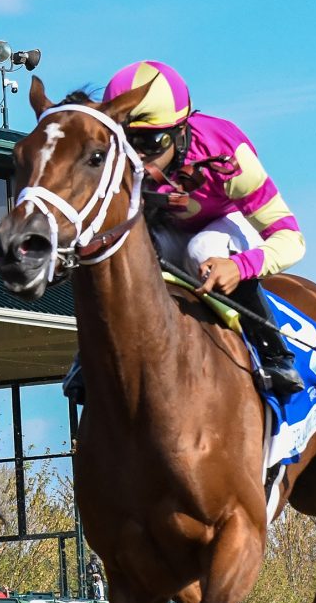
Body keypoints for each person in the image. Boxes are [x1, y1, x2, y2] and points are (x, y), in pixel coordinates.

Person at [102, 59, 305, 395]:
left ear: (181, 132)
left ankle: (275, 355)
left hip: (224, 224)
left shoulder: (227, 152)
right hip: (164, 228)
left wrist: (239, 266)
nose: (135, 158)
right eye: (125, 141)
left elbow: (291, 238)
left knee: (202, 250)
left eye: (150, 143)